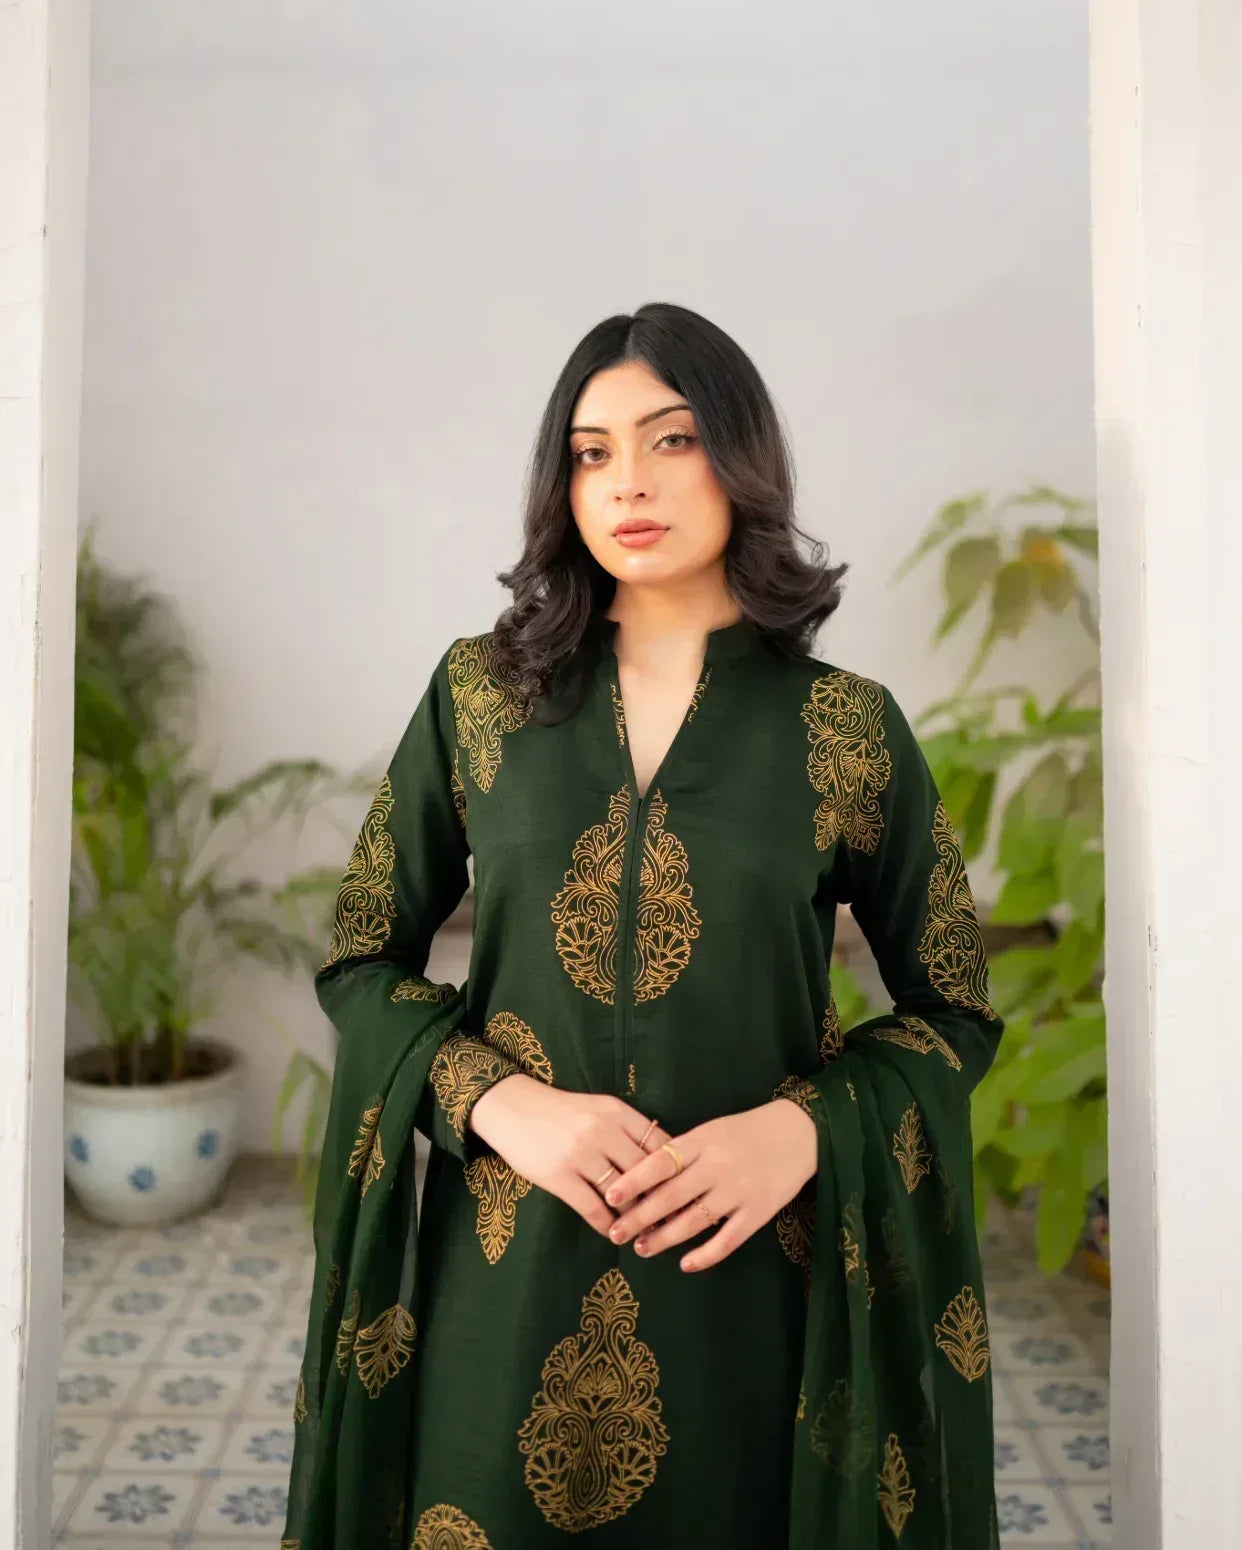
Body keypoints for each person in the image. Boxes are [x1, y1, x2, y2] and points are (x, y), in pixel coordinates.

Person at [283, 302, 1002, 1550]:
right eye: (591, 451)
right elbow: (362, 954)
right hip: (505, 1274)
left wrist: (800, 1129)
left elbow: (954, 1010)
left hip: (758, 1284)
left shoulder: (846, 727)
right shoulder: (480, 697)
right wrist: (501, 1102)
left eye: (671, 439)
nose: (628, 482)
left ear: (741, 456)